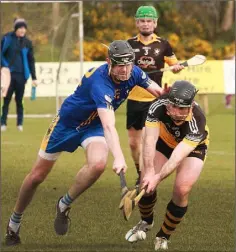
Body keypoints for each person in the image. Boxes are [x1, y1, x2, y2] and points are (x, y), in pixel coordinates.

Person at [5, 40, 165, 246]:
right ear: (109, 62)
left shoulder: (133, 72)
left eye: (128, 65)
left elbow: (157, 91)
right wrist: (118, 157)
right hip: (66, 126)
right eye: (119, 65)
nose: (125, 70)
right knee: (37, 176)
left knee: (98, 164)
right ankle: (14, 222)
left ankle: (64, 204)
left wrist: (175, 99)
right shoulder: (100, 82)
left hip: (94, 125)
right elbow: (110, 126)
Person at [125, 81, 209, 250]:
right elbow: (149, 141)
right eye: (173, 107)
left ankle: (163, 235)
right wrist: (148, 172)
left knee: (182, 189)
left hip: (192, 148)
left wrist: (158, 177)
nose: (176, 113)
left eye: (182, 109)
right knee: (145, 182)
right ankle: (146, 221)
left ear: (191, 106)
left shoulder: (197, 121)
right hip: (164, 141)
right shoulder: (157, 106)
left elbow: (177, 157)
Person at [127, 6, 184, 186]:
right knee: (134, 144)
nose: (146, 24)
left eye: (149, 21)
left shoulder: (164, 44)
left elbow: (174, 65)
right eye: (142, 21)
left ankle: (145, 175)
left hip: (154, 99)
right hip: (133, 99)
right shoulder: (129, 44)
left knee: (147, 140)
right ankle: (139, 171)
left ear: (155, 23)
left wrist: (176, 67)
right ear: (137, 23)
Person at [1, 18, 37, 132]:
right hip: (8, 75)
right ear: (16, 28)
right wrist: (4, 65)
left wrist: (34, 77)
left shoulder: (27, 42)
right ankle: (3, 123)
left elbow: (31, 60)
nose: (22, 30)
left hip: (21, 76)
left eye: (24, 28)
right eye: (20, 28)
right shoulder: (7, 38)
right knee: (6, 100)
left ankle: (19, 124)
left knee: (19, 100)